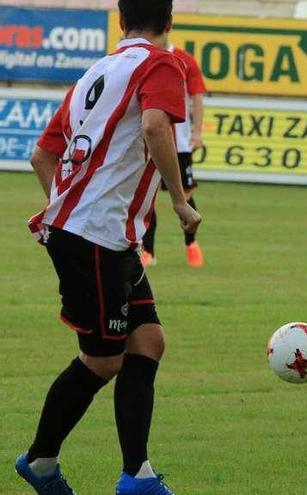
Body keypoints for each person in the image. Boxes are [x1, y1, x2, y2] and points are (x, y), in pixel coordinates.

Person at [15, 1, 201, 494]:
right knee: (103, 360)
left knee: (148, 342)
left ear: (121, 20)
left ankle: (136, 476)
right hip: (95, 238)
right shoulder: (163, 63)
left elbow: (41, 155)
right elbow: (156, 126)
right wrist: (180, 201)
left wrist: (69, 213)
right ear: (169, 22)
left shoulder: (94, 74)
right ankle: (40, 462)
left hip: (105, 237)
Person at [140, 41, 207, 268]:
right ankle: (148, 251)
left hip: (179, 143)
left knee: (184, 194)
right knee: (146, 197)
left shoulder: (185, 60)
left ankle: (191, 243)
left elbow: (197, 97)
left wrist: (197, 133)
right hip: (147, 141)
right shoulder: (138, 57)